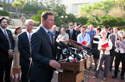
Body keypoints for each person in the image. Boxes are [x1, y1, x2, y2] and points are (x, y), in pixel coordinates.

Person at [30, 11, 60, 82]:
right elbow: (34, 54)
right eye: (50, 20)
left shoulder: (49, 33)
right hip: (39, 74)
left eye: (53, 20)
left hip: (48, 72)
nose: (53, 22)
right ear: (43, 20)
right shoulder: (36, 34)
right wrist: (48, 61)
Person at [0, 17, 15, 82]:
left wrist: (12, 50)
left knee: (8, 72)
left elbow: (13, 42)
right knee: (1, 72)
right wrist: (7, 51)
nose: (5, 23)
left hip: (10, 56)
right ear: (0, 23)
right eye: (3, 22)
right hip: (1, 56)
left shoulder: (9, 31)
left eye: (6, 22)